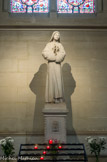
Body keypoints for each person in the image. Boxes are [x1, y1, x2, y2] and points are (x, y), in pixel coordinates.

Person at [42, 31, 66, 103]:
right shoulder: (48, 45)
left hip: (57, 64)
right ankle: (51, 98)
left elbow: (63, 53)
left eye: (58, 35)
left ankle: (58, 98)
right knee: (51, 80)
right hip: (51, 64)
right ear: (53, 35)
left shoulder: (60, 45)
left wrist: (57, 58)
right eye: (56, 34)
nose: (57, 36)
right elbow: (44, 53)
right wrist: (53, 57)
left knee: (58, 81)